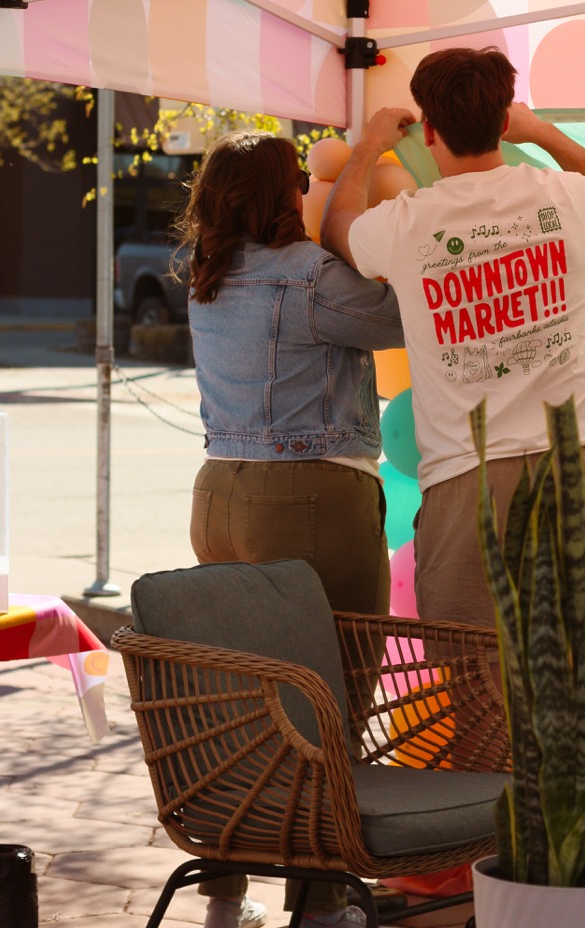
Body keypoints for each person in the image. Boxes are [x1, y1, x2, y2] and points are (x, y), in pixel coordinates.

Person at [320, 46, 585, 866]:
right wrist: (544, 135)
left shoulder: (408, 224)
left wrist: (368, 144)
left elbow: (337, 228)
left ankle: (507, 881)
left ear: (429, 129)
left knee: (482, 698)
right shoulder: (562, 196)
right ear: (503, 117)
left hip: (469, 484)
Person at [176, 130, 403, 928]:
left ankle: (223, 897)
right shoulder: (308, 275)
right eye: (300, 182)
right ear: (284, 195)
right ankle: (317, 905)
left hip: (218, 495)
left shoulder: (207, 276)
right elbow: (402, 319)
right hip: (310, 497)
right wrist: (365, 197)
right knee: (329, 700)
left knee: (239, 702)